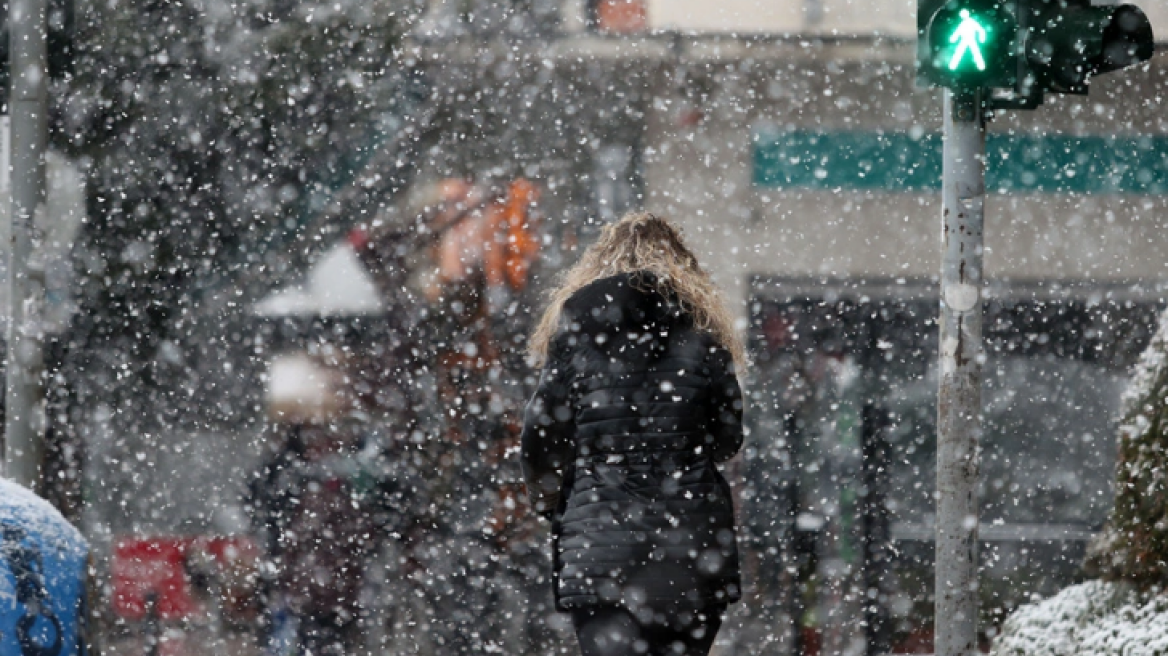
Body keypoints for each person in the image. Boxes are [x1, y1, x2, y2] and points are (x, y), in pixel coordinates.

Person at [521, 212, 746, 656]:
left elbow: (543, 436)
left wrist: (552, 501)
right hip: (690, 553)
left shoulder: (577, 326)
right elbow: (728, 437)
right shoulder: (701, 328)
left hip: (601, 551)